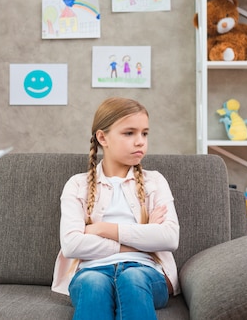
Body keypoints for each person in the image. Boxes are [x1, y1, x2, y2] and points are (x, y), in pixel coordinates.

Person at [51, 97, 179, 320]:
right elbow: (72, 245)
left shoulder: (155, 182)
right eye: (129, 133)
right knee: (94, 282)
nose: (140, 141)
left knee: (132, 279)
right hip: (91, 271)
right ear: (102, 137)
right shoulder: (77, 185)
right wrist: (142, 237)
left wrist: (101, 228)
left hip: (146, 272)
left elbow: (169, 238)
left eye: (144, 133)